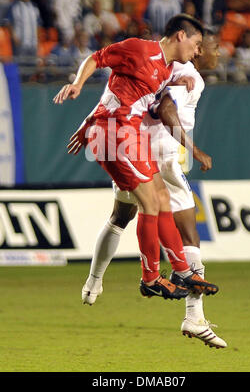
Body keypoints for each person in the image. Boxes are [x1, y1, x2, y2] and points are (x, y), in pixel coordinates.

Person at [67, 30, 226, 349]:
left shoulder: (164, 63)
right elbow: (166, 109)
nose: (215, 55)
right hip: (162, 153)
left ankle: (94, 282)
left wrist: (89, 122)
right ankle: (190, 312)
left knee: (119, 217)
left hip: (130, 144)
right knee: (188, 233)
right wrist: (193, 150)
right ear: (195, 46)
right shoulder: (188, 72)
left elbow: (120, 90)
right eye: (211, 48)